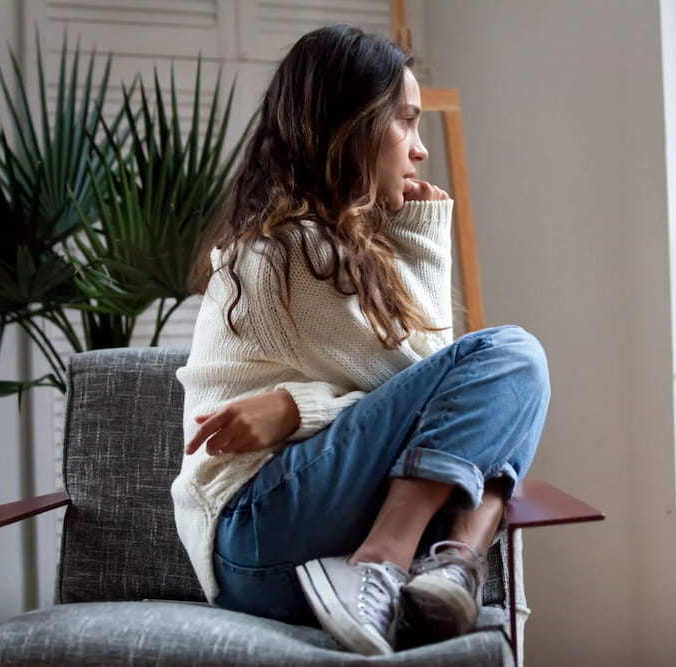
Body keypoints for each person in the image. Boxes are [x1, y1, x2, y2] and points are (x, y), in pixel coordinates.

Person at [172, 24, 550, 656]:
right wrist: (426, 235)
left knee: (496, 405)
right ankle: (397, 558)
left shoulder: (338, 248)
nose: (420, 151)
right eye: (405, 122)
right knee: (513, 358)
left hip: (290, 538)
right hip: (259, 528)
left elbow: (438, 408)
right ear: (352, 126)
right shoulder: (291, 250)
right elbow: (438, 380)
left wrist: (298, 408)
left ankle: (450, 568)